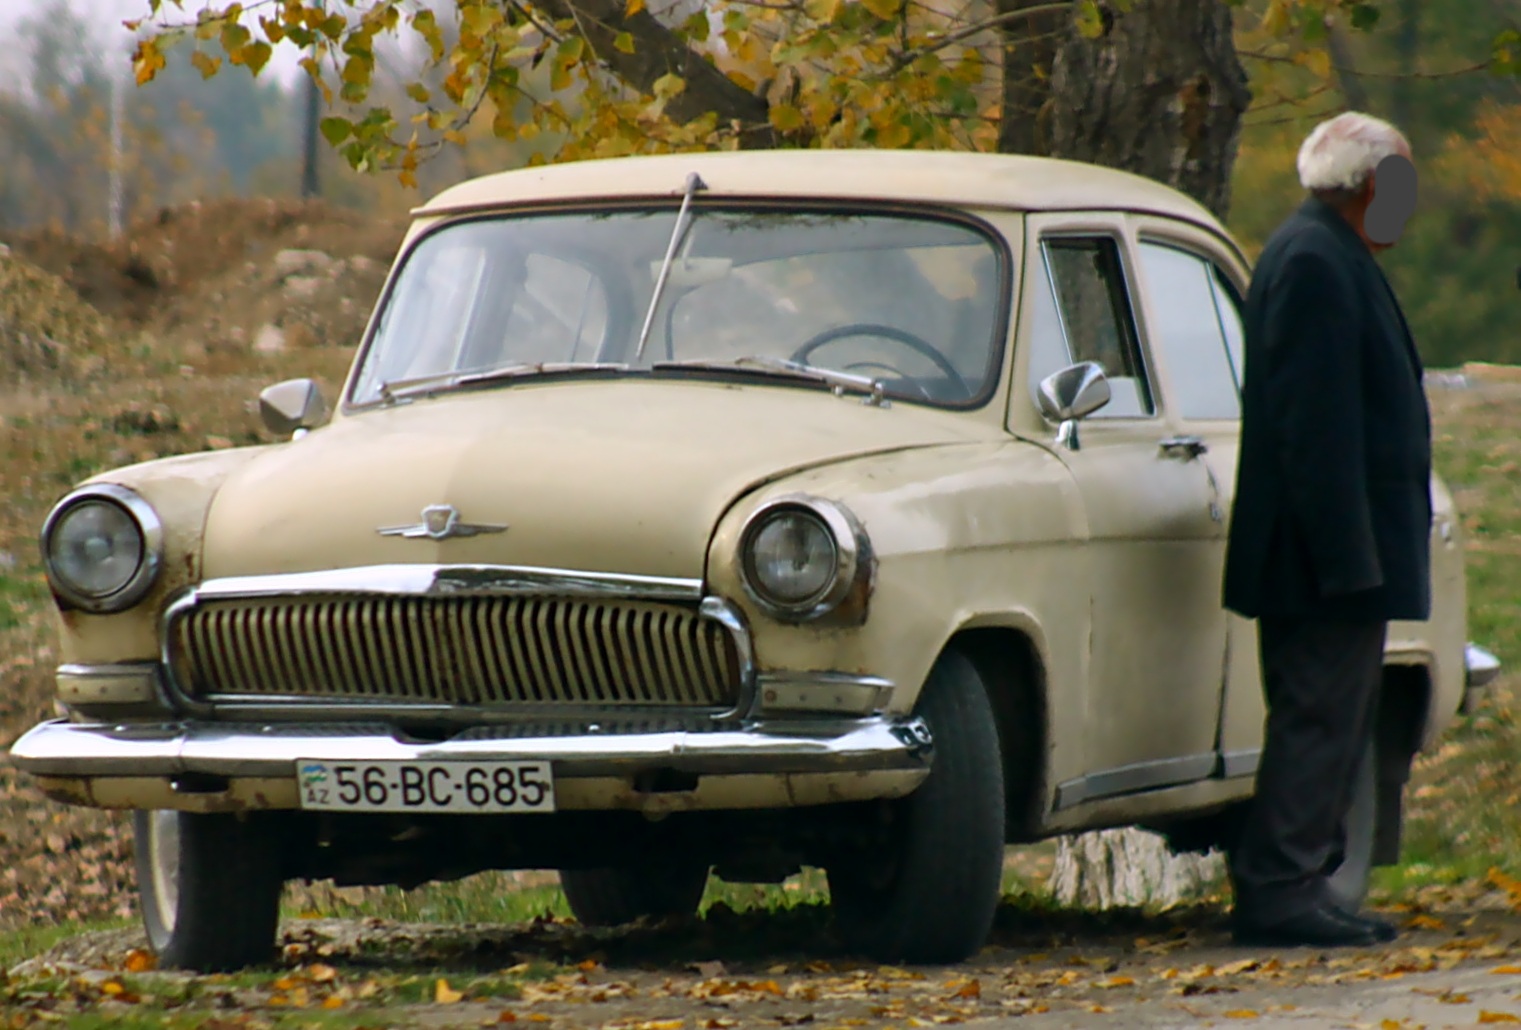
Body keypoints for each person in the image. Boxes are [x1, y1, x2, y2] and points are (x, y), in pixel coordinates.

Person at [1222, 111, 1431, 948]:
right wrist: (1348, 557)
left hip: (1336, 550)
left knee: (1335, 716)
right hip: (1321, 554)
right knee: (1315, 716)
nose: (1407, 206)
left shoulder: (1329, 253)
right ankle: (1278, 889)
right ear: (1369, 185)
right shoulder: (1312, 260)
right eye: (1403, 186)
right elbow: (1315, 429)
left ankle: (1306, 882)